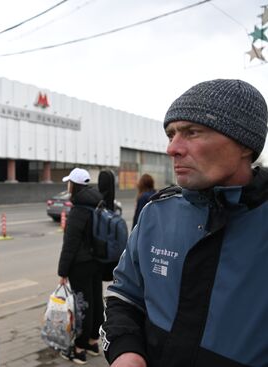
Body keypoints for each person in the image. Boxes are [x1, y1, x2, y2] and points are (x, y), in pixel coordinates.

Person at [101, 79, 268, 367]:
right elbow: (124, 296)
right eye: (170, 134)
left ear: (244, 144)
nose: (172, 149)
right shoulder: (156, 214)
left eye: (192, 132)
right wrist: (125, 350)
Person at [57, 168, 104, 365]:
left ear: (74, 186)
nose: (67, 186)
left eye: (69, 183)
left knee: (82, 306)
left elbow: (70, 245)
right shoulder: (97, 204)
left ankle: (79, 350)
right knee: (95, 302)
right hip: (96, 262)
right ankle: (93, 342)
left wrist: (63, 271)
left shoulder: (78, 210)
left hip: (80, 265)